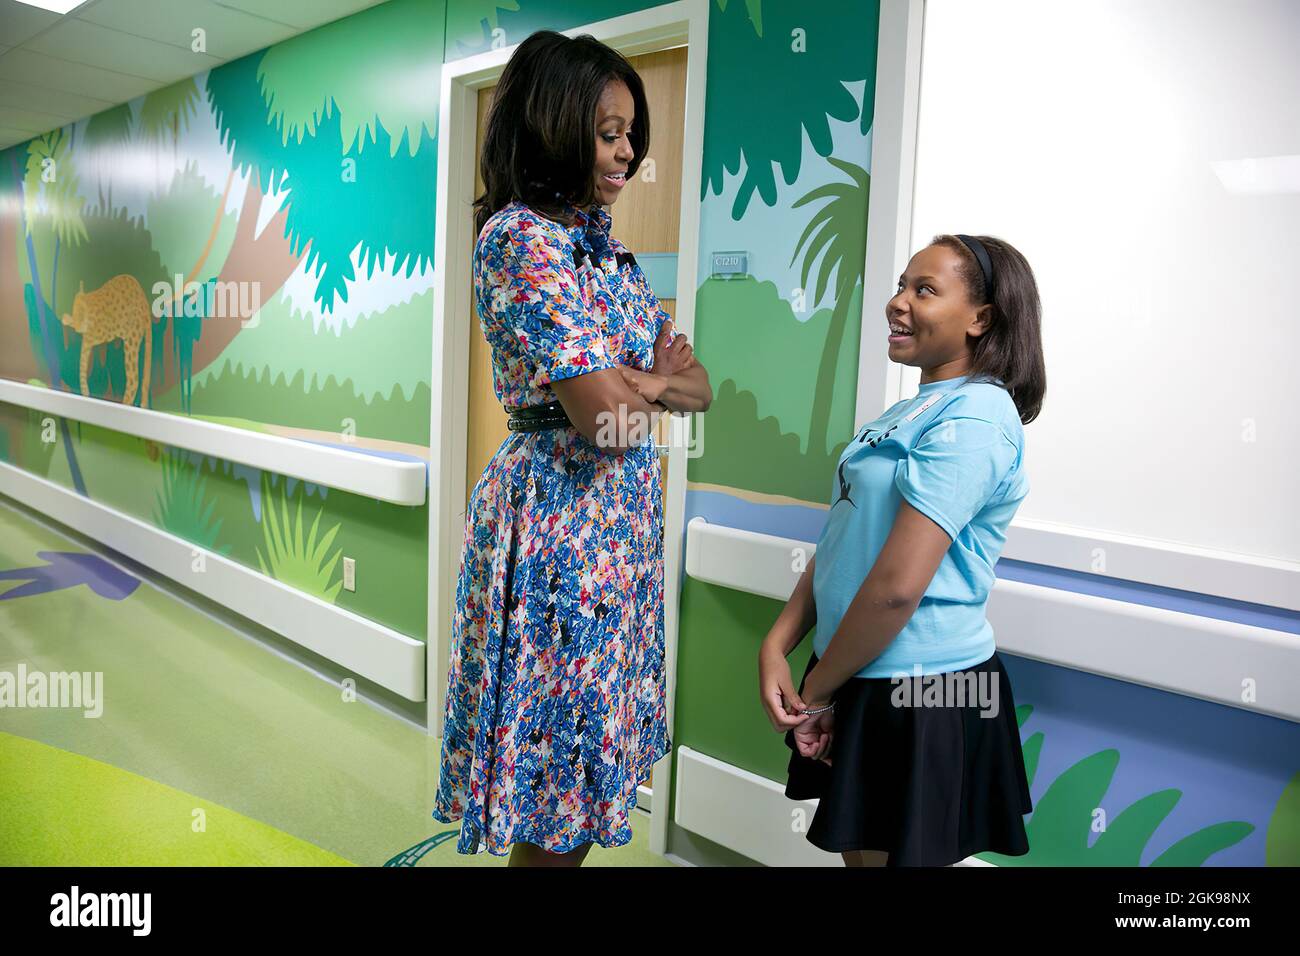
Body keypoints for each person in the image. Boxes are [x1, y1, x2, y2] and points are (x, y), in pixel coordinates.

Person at [433, 30, 713, 867]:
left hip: (619, 538)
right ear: (555, 127)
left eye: (632, 134)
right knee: (556, 783)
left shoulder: (609, 252)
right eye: (608, 133)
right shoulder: (521, 241)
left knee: (590, 776)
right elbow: (601, 425)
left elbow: (698, 393)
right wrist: (640, 390)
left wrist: (646, 387)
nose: (627, 152)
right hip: (558, 532)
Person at [758, 233, 1047, 867]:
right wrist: (779, 641)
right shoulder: (908, 412)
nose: (897, 302)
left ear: (981, 319)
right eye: (900, 285)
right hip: (858, 671)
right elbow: (844, 538)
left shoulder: (975, 419)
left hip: (924, 690)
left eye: (924, 290)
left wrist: (819, 687)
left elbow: (895, 587)